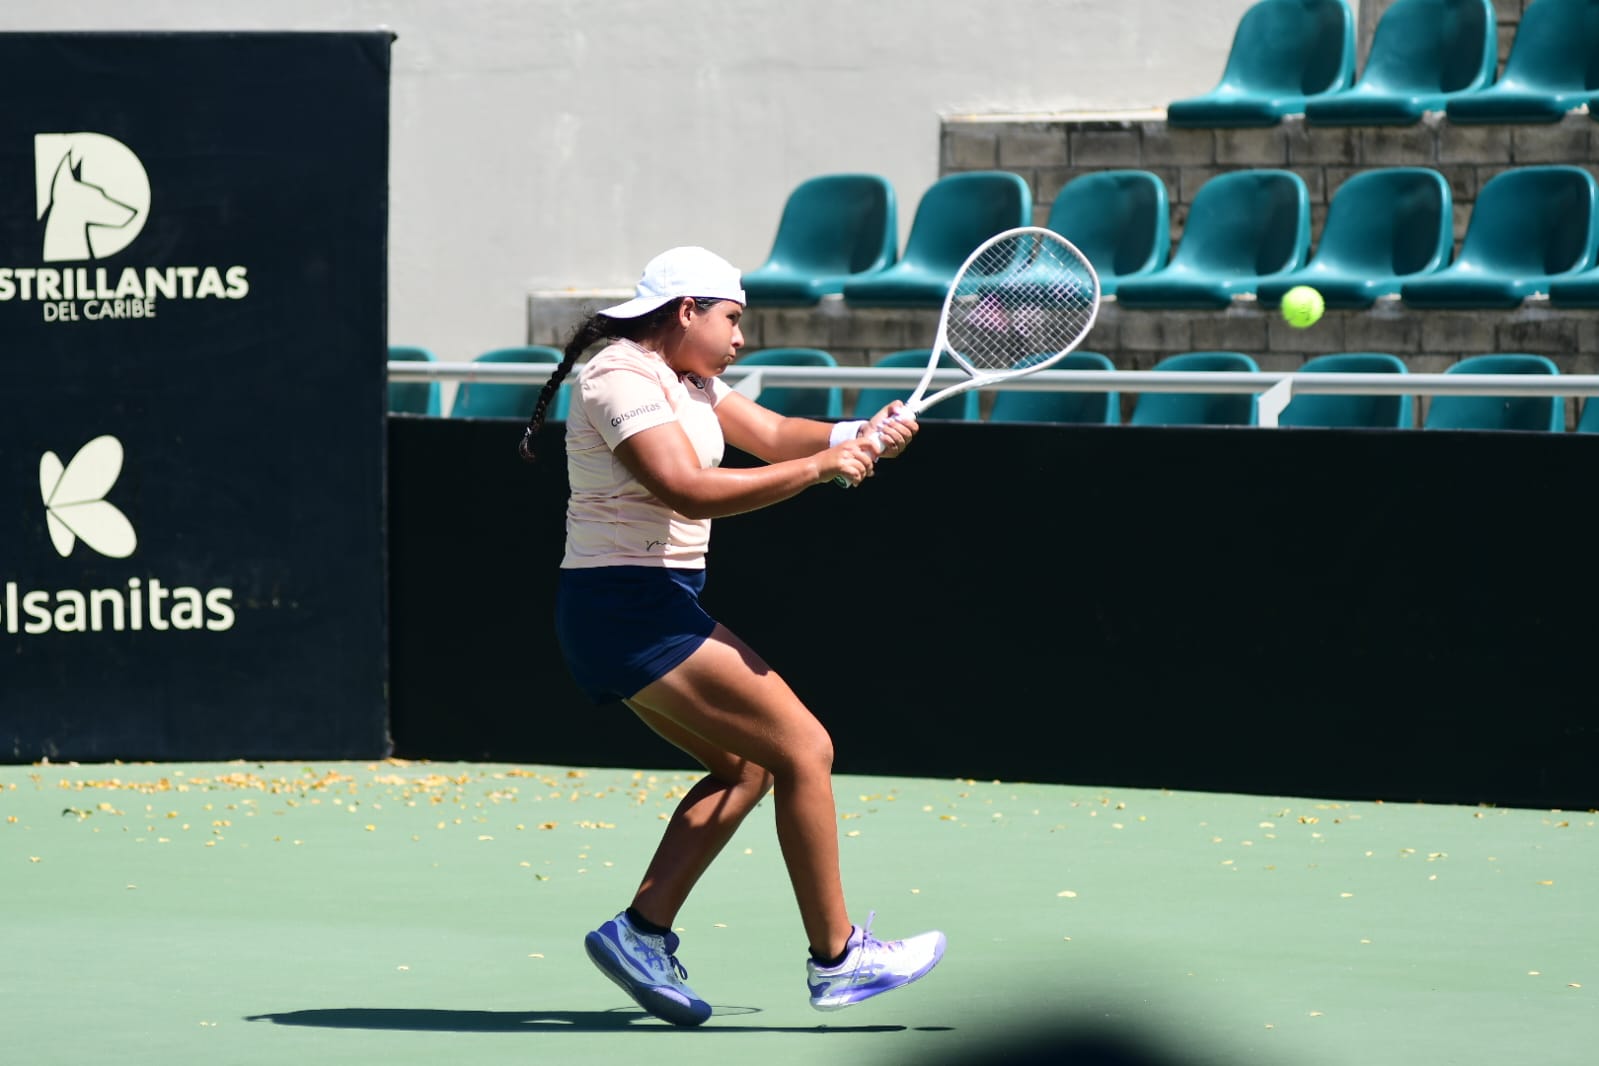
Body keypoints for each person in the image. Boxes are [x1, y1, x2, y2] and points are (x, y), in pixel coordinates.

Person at [519, 246, 945, 1027]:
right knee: (804, 749)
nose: (740, 336)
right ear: (686, 311)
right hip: (626, 606)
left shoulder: (689, 379)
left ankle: (638, 934)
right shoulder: (618, 373)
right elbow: (684, 489)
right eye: (731, 318)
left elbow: (777, 431)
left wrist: (860, 430)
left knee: (745, 766)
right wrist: (824, 470)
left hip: (648, 602)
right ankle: (838, 957)